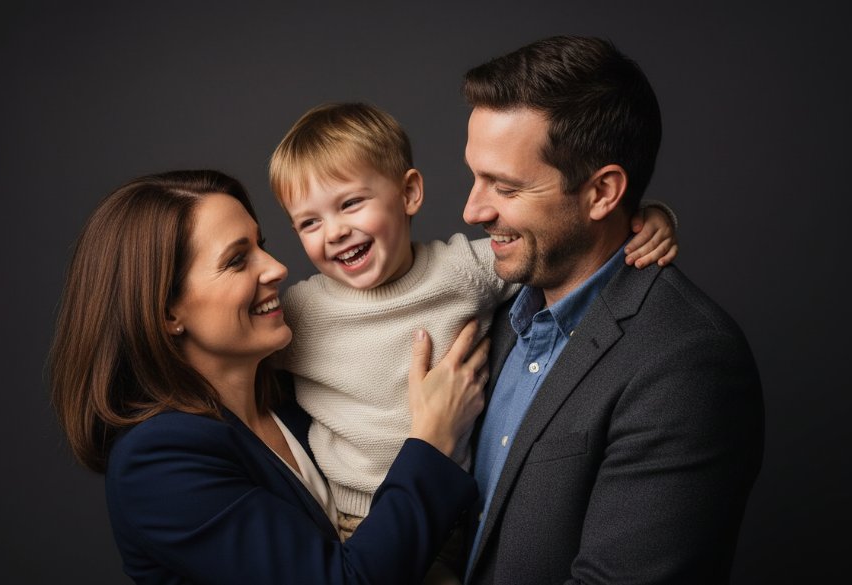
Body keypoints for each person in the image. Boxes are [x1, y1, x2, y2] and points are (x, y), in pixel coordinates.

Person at [48, 170, 491, 584]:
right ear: (167, 314)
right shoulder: (155, 465)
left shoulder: (294, 393)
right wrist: (433, 438)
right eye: (238, 260)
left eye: (261, 244)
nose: (276, 268)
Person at [267, 102, 679, 545]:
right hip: (356, 526)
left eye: (350, 204)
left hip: (457, 520)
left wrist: (651, 218)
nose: (334, 232)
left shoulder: (461, 269)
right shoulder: (302, 312)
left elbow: (563, 245)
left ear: (409, 193)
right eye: (309, 222)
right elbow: (227, 359)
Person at [460, 36, 764, 584]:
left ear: (602, 192)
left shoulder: (688, 361)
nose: (472, 209)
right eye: (475, 176)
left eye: (504, 186)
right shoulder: (493, 305)